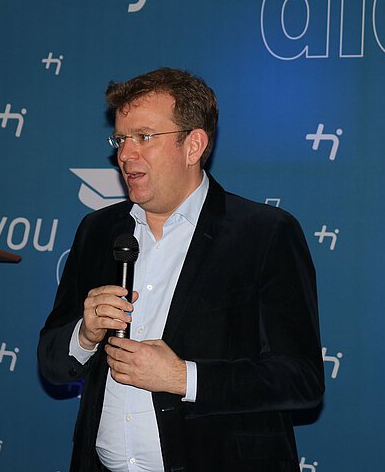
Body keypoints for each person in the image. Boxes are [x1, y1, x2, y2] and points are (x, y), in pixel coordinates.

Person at [38, 68, 324, 472]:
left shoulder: (265, 234)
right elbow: (52, 362)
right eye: (121, 139)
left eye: (144, 137)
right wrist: (85, 335)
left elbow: (300, 379)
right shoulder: (98, 230)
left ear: (193, 145)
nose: (125, 154)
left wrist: (183, 377)